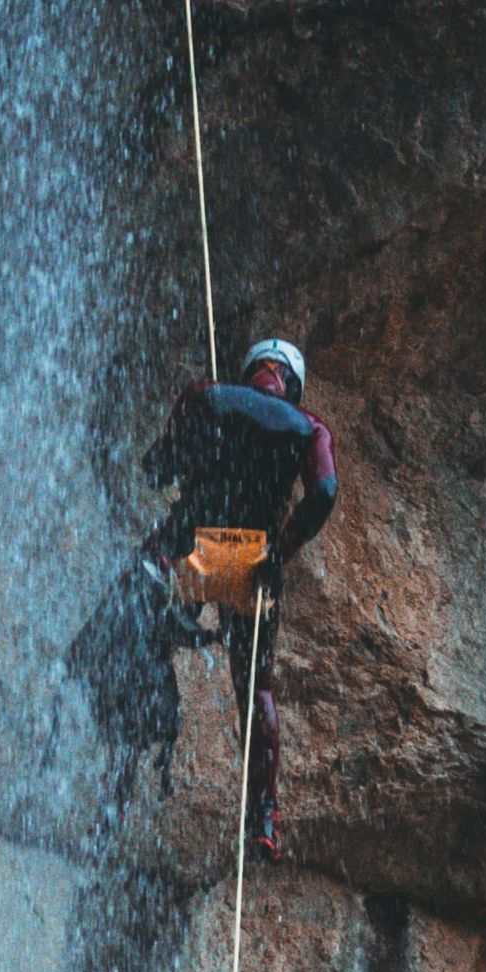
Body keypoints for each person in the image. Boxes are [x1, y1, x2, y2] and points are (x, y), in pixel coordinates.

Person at [144, 336, 338, 856]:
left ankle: (135, 749)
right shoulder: (308, 426)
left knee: (141, 607)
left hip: (191, 548)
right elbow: (323, 492)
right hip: (251, 562)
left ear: (251, 370)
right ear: (292, 386)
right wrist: (282, 550)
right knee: (256, 688)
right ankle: (264, 818)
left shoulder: (208, 396)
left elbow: (157, 471)